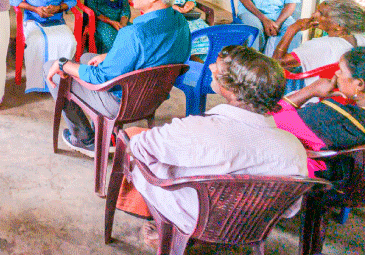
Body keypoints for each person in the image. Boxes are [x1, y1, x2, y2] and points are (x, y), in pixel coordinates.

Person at [115, 46, 308, 244]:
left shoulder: (196, 128)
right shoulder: (293, 147)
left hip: (194, 216)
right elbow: (290, 209)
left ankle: (170, 227)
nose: (211, 67)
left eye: (218, 68)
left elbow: (140, 147)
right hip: (252, 226)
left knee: (134, 141)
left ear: (233, 88)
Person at [45, 0, 190, 155]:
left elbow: (100, 77)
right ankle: (107, 132)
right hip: (154, 97)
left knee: (54, 71)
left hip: (123, 103)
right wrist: (109, 56)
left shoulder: (133, 33)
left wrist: (64, 63)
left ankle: (85, 139)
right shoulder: (180, 22)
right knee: (88, 58)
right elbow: (159, 56)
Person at [271, 47, 365, 179]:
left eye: (342, 71)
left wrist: (310, 90)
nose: (337, 74)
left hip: (318, 187)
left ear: (360, 84)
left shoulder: (330, 117)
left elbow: (270, 119)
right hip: (364, 191)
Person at [9, 0, 77, 93]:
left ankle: (60, 81)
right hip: (33, 20)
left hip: (56, 21)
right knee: (37, 42)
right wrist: (35, 9)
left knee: (70, 42)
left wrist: (58, 8)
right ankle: (39, 84)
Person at [272, 0, 365, 84]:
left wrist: (292, 29)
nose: (314, 15)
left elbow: (277, 62)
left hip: (319, 99)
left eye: (321, 14)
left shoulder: (321, 45)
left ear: (338, 26)